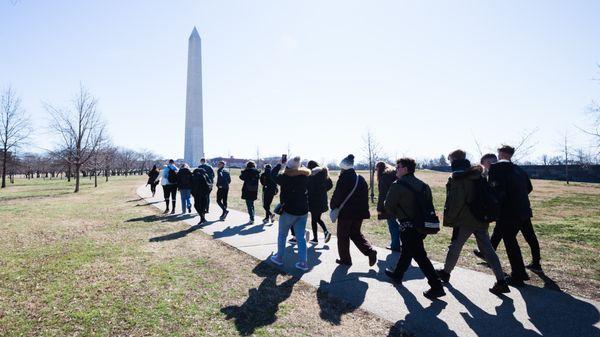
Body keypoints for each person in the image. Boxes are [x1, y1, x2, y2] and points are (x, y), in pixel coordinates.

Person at [435, 150, 509, 295]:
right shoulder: (477, 174)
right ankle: (501, 281)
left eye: (450, 160)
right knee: (487, 249)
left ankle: (445, 273)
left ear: (454, 160)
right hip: (481, 217)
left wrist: (450, 218)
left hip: (465, 219)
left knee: (455, 246)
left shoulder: (459, 176)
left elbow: (457, 201)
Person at [384, 158, 445, 299]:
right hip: (423, 226)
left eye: (398, 167)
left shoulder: (397, 185)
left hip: (407, 226)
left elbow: (388, 206)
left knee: (419, 255)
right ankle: (397, 274)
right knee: (408, 250)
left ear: (405, 169)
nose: (396, 169)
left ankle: (436, 286)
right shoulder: (424, 185)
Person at [486, 145, 538, 285]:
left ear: (501, 153)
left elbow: (494, 190)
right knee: (525, 237)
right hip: (523, 210)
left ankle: (518, 274)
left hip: (507, 212)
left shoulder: (496, 168)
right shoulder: (519, 170)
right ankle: (526, 268)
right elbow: (529, 188)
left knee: (510, 242)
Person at [330, 154, 377, 267]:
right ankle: (370, 251)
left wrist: (333, 206)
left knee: (342, 237)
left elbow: (337, 196)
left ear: (343, 167)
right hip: (359, 213)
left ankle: (345, 260)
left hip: (346, 214)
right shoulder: (360, 178)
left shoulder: (343, 178)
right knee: (355, 233)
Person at [269, 156, 311, 271]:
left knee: (282, 235)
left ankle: (279, 257)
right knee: (300, 237)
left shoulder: (284, 177)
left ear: (288, 167)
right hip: (303, 211)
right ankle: (303, 263)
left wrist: (279, 164)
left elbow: (272, 174)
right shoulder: (305, 177)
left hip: (289, 211)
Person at [376, 161, 401, 252]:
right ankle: (401, 243)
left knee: (392, 225)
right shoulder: (395, 173)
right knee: (399, 225)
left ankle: (395, 245)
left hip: (390, 204)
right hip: (401, 202)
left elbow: (382, 194)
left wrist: (379, 208)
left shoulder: (384, 176)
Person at [306, 160, 333, 245]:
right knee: (317, 218)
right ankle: (326, 232)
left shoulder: (311, 176)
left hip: (314, 201)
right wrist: (323, 191)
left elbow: (308, 188)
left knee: (314, 220)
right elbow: (330, 185)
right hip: (322, 200)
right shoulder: (324, 173)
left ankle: (315, 239)